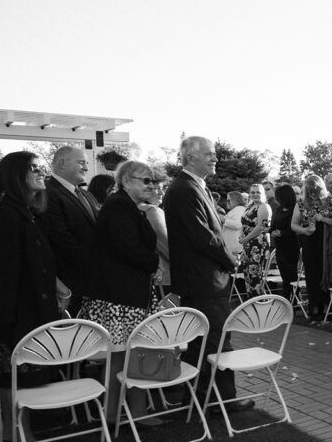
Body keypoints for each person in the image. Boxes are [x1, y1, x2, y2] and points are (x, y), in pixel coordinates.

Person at [162, 136, 252, 412]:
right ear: (190, 158)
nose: (215, 159)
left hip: (206, 278)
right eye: (209, 154)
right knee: (215, 341)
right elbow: (202, 237)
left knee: (207, 341)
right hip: (202, 280)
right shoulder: (184, 189)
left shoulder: (192, 187)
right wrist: (231, 260)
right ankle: (219, 400)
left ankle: (202, 398)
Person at [78, 160, 164, 424]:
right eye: (145, 180)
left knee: (131, 354)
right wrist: (154, 263)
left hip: (128, 294)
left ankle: (128, 412)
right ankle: (117, 414)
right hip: (118, 298)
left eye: (152, 180)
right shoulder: (118, 206)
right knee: (120, 356)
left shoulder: (128, 206)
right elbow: (127, 247)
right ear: (126, 181)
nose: (151, 185)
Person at [0, 152, 68, 442]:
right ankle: (16, 434)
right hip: (16, 314)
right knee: (14, 377)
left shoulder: (27, 212)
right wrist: (5, 321)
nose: (42, 173)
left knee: (25, 376)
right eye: (34, 168)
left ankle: (19, 433)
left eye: (42, 167)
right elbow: (4, 271)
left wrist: (56, 285)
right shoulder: (5, 215)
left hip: (33, 309)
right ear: (15, 175)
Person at [38, 145, 100, 316]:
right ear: (62, 163)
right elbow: (61, 239)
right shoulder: (48, 194)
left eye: (87, 163)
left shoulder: (87, 195)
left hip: (93, 282)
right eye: (81, 162)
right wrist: (96, 262)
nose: (86, 168)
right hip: (69, 282)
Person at [291, 175, 332, 323]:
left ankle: (326, 306)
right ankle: (314, 307)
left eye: (315, 190)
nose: (313, 194)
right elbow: (293, 224)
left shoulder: (330, 200)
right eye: (310, 191)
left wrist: (324, 219)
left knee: (325, 272)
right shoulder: (301, 203)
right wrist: (304, 231)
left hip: (326, 240)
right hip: (309, 240)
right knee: (311, 274)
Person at [238, 183, 272, 296]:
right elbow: (243, 224)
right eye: (252, 192)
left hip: (258, 244)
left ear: (262, 193)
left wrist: (246, 238)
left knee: (256, 275)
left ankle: (261, 303)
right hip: (247, 244)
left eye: (258, 192)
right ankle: (251, 301)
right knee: (247, 274)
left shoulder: (264, 207)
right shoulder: (249, 206)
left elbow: (262, 227)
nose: (255, 194)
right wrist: (241, 236)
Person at [269, 184, 300, 300]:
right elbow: (273, 225)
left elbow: (292, 228)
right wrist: (272, 231)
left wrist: (281, 233)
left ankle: (293, 299)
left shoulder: (294, 209)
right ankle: (286, 297)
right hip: (280, 246)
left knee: (291, 273)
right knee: (283, 273)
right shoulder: (278, 210)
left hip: (291, 245)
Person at [143, 167, 171, 295]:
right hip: (163, 277)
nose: (161, 193)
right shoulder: (152, 211)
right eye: (157, 188)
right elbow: (166, 246)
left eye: (163, 188)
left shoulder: (134, 208)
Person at [221, 191, 246, 256]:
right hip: (232, 246)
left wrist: (224, 220)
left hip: (234, 247)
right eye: (227, 200)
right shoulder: (236, 209)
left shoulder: (239, 210)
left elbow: (238, 224)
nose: (227, 202)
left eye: (229, 200)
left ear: (235, 200)